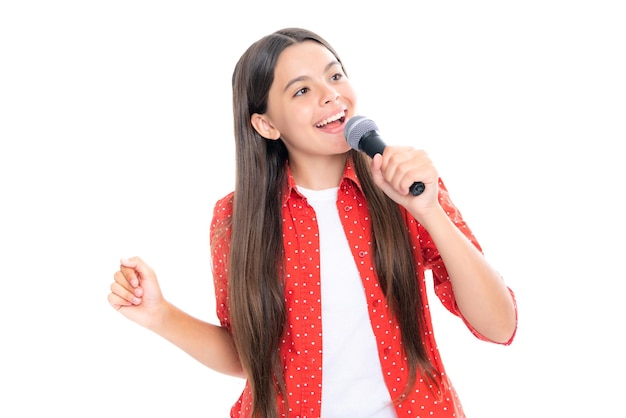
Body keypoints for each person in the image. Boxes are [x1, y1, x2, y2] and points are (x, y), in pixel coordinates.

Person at [108, 27, 518, 418]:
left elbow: (500, 326)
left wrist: (428, 210)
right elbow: (248, 355)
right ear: (266, 125)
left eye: (335, 75)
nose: (331, 95)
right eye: (302, 89)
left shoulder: (407, 187)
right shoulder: (237, 219)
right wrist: (159, 314)